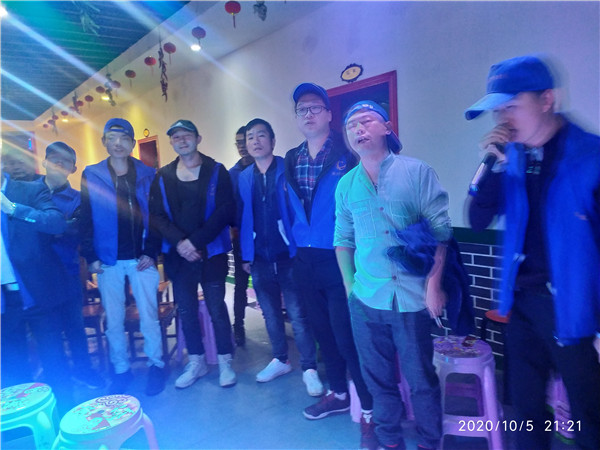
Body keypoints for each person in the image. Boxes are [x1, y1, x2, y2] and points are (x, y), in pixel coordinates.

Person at [465, 55, 600, 450]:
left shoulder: (590, 157)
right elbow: (476, 219)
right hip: (522, 304)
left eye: (511, 106)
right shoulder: (513, 159)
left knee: (589, 417)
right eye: (498, 110)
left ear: (547, 100)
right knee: (524, 413)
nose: (503, 119)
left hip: (576, 310)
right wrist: (491, 165)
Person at [335, 101, 451, 450]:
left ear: (387, 127)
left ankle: (430, 441)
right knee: (378, 381)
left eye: (366, 120)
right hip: (366, 298)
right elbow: (342, 240)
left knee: (421, 380)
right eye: (351, 125)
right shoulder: (346, 185)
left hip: (411, 297)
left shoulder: (416, 172)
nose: (358, 128)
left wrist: (433, 286)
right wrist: (350, 288)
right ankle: (389, 440)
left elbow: (441, 232)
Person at [284, 83, 375, 449]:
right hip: (305, 260)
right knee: (323, 333)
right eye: (301, 109)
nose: (308, 114)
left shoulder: (346, 152)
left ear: (328, 114)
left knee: (348, 337)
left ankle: (370, 410)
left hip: (340, 258)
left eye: (315, 108)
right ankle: (338, 393)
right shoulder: (291, 157)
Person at [80, 118, 165, 396]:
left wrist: (151, 251)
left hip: (141, 258)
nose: (118, 143)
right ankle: (121, 369)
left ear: (132, 143)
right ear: (104, 141)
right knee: (113, 319)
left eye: (124, 138)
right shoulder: (92, 174)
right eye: (112, 138)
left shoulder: (148, 173)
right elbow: (85, 217)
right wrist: (91, 255)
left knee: (149, 316)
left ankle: (156, 365)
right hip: (108, 260)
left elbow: (157, 216)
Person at [149, 119, 237, 389]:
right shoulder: (162, 176)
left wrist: (194, 242)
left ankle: (225, 362)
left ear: (198, 139)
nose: (182, 140)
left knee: (217, 309)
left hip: (211, 253)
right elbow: (157, 216)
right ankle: (196, 362)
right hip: (178, 257)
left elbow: (224, 211)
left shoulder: (217, 171)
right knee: (186, 311)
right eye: (176, 137)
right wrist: (180, 243)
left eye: (186, 135)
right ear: (171, 142)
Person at [238, 118, 323, 393]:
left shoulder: (287, 170)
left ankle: (309, 367)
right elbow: (244, 218)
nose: (255, 141)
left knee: (298, 315)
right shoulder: (244, 177)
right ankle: (280, 359)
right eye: (250, 137)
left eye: (261, 135)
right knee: (270, 314)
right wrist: (246, 255)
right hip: (259, 259)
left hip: (289, 256)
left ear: (272, 141)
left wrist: (301, 249)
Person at [1, 162, 73, 413]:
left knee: (55, 362)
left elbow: (57, 223)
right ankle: (26, 423)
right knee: (13, 369)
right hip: (4, 303)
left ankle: (63, 418)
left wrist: (13, 209)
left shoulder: (30, 190)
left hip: (37, 294)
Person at [42, 141, 104, 389]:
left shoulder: (78, 199)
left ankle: (83, 371)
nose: (59, 163)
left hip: (67, 272)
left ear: (73, 168)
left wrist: (45, 227)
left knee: (74, 328)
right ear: (44, 161)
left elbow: (76, 232)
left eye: (65, 160)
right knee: (47, 333)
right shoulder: (29, 193)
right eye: (54, 158)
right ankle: (55, 381)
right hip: (35, 276)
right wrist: (57, 228)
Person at [229, 125, 253, 346]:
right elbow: (229, 207)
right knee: (240, 285)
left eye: (244, 141)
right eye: (238, 142)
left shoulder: (266, 167)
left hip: (266, 237)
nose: (242, 146)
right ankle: (238, 325)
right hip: (241, 239)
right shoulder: (232, 174)